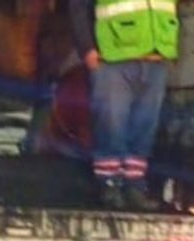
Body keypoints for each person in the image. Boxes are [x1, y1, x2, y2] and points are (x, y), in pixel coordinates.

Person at [68, 0, 179, 211]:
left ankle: (135, 186)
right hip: (113, 56)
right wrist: (87, 48)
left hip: (156, 56)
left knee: (144, 128)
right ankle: (110, 184)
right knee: (111, 124)